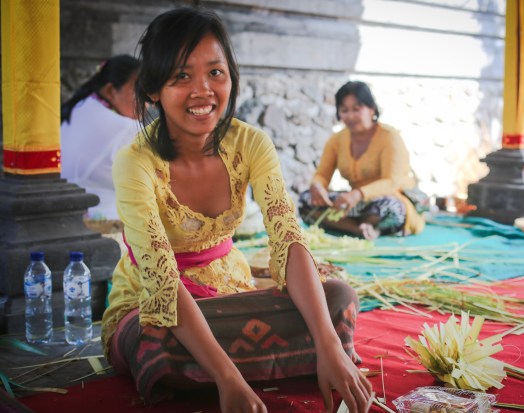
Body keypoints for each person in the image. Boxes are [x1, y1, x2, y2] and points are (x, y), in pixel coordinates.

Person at [101, 8, 373, 413]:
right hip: (152, 303)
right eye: (181, 77)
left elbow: (287, 236)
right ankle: (243, 367)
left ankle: (300, 357)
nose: (203, 90)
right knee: (152, 340)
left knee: (337, 298)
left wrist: (330, 344)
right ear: (154, 89)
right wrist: (229, 380)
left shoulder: (251, 144)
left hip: (231, 295)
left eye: (215, 72)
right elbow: (160, 278)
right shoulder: (134, 162)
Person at [299, 81, 425, 240]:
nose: (350, 116)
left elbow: (392, 181)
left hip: (388, 199)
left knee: (389, 206)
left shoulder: (389, 137)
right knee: (305, 200)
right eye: (344, 110)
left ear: (372, 109)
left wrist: (358, 194)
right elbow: (322, 175)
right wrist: (317, 186)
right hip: (356, 204)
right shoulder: (337, 140)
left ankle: (363, 225)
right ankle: (362, 229)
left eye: (356, 109)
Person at [61, 54, 140, 220]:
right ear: (110, 90)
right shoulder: (125, 128)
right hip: (104, 218)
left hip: (68, 212)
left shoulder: (79, 106)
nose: (147, 102)